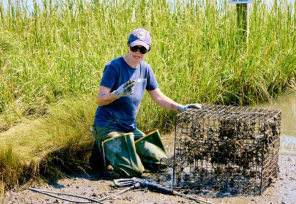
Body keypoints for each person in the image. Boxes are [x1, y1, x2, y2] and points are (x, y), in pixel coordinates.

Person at [90, 28, 201, 178]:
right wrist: (117, 94)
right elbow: (100, 99)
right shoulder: (114, 67)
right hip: (108, 124)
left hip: (129, 128)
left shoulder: (146, 69)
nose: (138, 52)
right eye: (134, 47)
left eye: (143, 49)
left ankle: (124, 150)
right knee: (134, 171)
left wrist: (180, 107)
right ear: (128, 45)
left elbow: (159, 98)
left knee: (161, 163)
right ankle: (101, 147)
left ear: (148, 50)